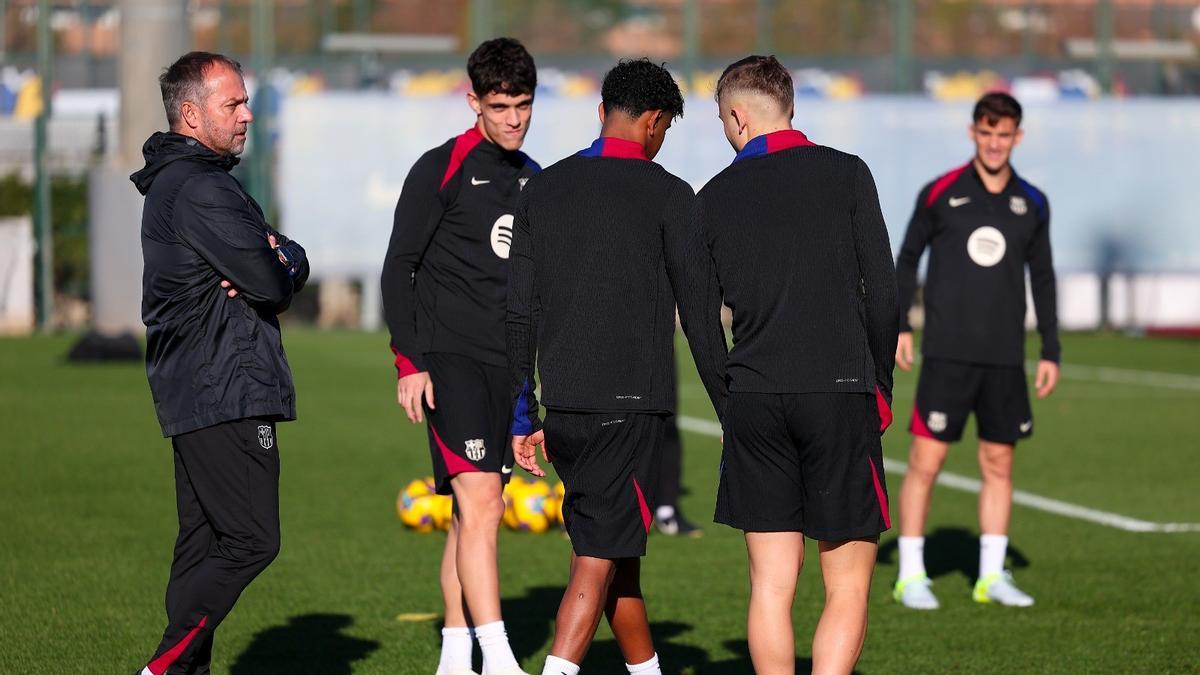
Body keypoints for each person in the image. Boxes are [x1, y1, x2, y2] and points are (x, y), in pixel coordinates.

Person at [507, 59, 727, 675]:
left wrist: (523, 417)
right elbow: (703, 320)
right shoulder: (670, 195)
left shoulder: (542, 190)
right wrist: (735, 411)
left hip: (566, 413)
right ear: (655, 123)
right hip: (629, 414)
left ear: (602, 113)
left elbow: (517, 316)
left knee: (617, 558)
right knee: (597, 561)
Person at [701, 56, 898, 675]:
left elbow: (702, 321)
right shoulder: (846, 174)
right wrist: (881, 383)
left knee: (771, 586)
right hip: (839, 392)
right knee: (846, 585)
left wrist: (726, 401)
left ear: (737, 116)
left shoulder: (713, 196)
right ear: (789, 105)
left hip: (756, 400)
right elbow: (884, 292)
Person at [131, 51, 309, 675]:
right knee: (252, 538)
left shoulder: (195, 182)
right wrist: (278, 260)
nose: (246, 114)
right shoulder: (202, 189)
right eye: (232, 103)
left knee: (201, 544)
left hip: (198, 387)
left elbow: (279, 257)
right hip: (225, 387)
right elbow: (270, 278)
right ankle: (162, 669)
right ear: (190, 113)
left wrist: (279, 255)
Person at [380, 37, 539, 675]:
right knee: (481, 506)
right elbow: (399, 268)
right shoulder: (440, 167)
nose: (514, 119)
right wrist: (409, 362)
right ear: (472, 100)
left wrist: (529, 399)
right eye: (500, 106)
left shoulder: (534, 179)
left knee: (472, 517)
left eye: (524, 105)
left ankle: (455, 650)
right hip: (450, 364)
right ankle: (498, 658)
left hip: (507, 371)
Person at [892, 92, 1059, 610]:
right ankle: (912, 574)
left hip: (1005, 358)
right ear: (973, 132)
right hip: (947, 355)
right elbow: (908, 258)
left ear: (1017, 137)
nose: (994, 143)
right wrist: (900, 325)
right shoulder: (940, 192)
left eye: (1003, 134)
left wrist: (1050, 347)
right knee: (926, 461)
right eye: (986, 133)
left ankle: (991, 576)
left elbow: (1043, 276)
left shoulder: (1032, 202)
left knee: (998, 463)